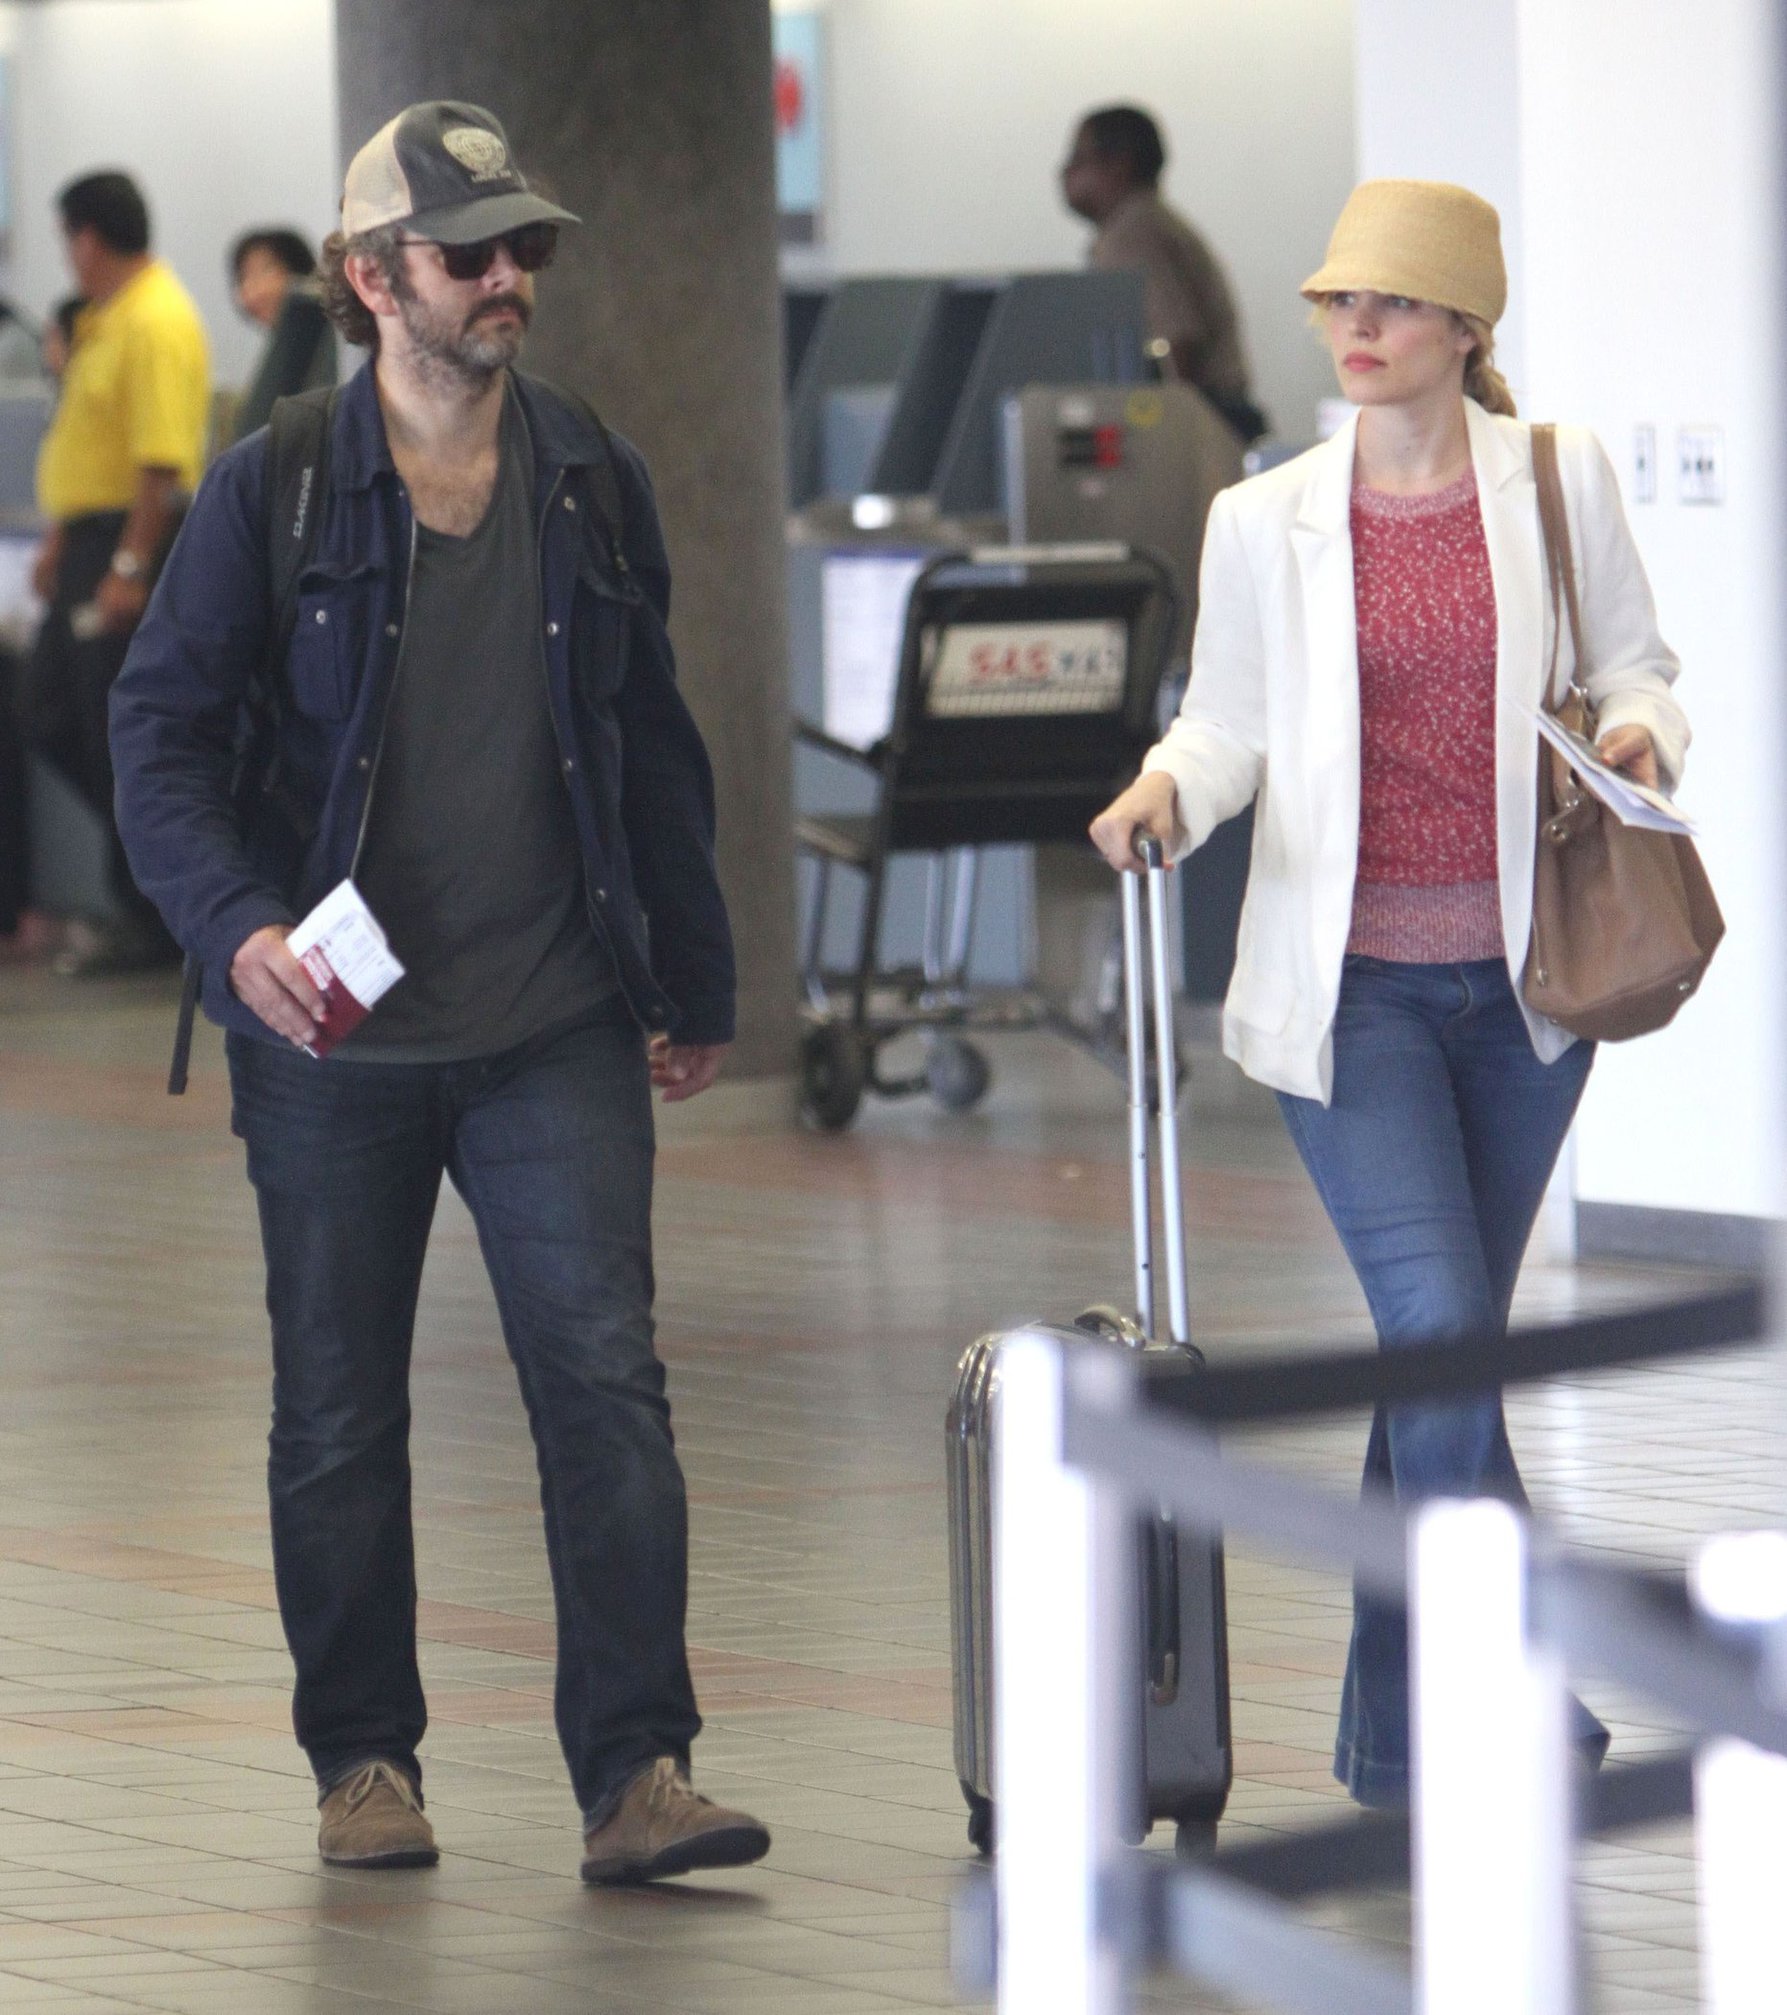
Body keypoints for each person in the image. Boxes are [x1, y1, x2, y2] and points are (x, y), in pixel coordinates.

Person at [109, 101, 771, 1884]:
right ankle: (365, 1762)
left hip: (552, 1022)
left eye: (524, 249)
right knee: (336, 1406)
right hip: (333, 1042)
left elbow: (648, 742)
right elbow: (157, 733)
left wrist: (690, 975)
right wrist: (235, 923)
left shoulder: (584, 473)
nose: (507, 280)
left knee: (605, 1385)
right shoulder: (281, 482)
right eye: (469, 252)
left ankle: (638, 1770)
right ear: (369, 276)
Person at [1090, 180, 1690, 1809]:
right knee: (1435, 1339)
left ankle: (1390, 1732)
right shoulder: (1259, 517)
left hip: (1524, 997)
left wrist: (1637, 741)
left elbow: (1640, 672)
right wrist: (1165, 791)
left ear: (1462, 331)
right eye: (1338, 302)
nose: (1354, 328)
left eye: (1392, 304)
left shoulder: (1554, 482)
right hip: (1344, 999)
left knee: (1438, 1364)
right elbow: (1223, 725)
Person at [27, 170, 208, 976]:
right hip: (90, 546)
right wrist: (61, 543)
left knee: (115, 737)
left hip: (131, 548)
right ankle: (145, 901)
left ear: (86, 237)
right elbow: (89, 446)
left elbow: (161, 460)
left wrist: (130, 565)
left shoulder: (156, 319)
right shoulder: (109, 319)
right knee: (50, 713)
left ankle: (154, 917)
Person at [1061, 104, 1265, 442]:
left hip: (1201, 426)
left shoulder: (1132, 232)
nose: (1066, 172)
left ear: (1119, 163)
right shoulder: (1148, 221)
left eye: (1079, 157)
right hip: (1212, 420)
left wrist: (1170, 441)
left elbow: (1175, 345)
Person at [227, 226, 337, 442]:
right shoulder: (276, 359)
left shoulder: (328, 347)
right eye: (243, 278)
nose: (254, 288)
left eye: (266, 271)